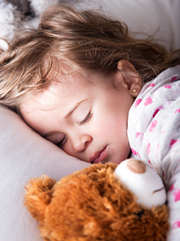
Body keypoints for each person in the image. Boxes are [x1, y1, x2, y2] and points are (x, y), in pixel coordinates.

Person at [0, 4, 180, 240]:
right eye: (59, 140)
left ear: (127, 79)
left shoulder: (159, 112)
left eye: (83, 116)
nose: (78, 144)